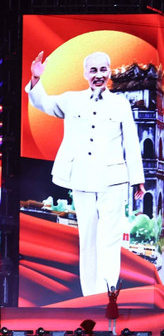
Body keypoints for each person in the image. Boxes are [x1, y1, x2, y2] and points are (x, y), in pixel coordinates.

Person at [25, 51, 145, 297]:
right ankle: (90, 297)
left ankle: (109, 294)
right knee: (88, 239)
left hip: (113, 181)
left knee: (110, 240)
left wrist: (138, 181)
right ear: (85, 74)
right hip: (81, 179)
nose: (98, 75)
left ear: (109, 72)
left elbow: (132, 144)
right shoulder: (71, 100)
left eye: (103, 69)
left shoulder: (121, 104)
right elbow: (43, 103)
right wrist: (36, 79)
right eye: (93, 70)